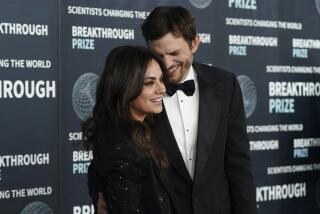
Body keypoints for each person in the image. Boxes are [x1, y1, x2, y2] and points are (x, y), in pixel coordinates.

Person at [89, 5, 258, 214]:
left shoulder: (226, 84)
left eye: (174, 52)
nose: (167, 64)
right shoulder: (139, 96)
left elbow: (238, 164)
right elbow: (110, 162)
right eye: (158, 55)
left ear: (194, 43)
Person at [83, 45, 179, 214]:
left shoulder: (140, 132)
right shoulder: (121, 148)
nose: (162, 89)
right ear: (125, 87)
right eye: (149, 83)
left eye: (161, 79)